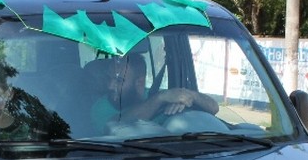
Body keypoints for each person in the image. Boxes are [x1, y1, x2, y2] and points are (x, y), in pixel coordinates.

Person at [90, 52, 219, 134]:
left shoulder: (161, 96)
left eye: (118, 81)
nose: (110, 86)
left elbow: (214, 108)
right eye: (109, 79)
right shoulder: (100, 107)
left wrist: (189, 96)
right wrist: (159, 99)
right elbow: (116, 125)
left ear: (139, 82)